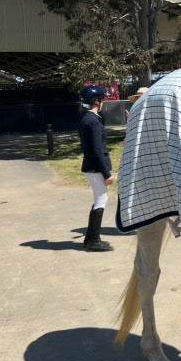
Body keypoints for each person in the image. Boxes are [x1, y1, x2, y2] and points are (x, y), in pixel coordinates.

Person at [78, 85, 114, 252]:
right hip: (96, 167)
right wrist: (106, 173)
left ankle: (90, 238)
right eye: (102, 99)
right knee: (101, 200)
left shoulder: (86, 118)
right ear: (96, 101)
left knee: (98, 201)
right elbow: (97, 149)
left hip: (91, 166)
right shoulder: (93, 120)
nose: (103, 102)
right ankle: (94, 241)